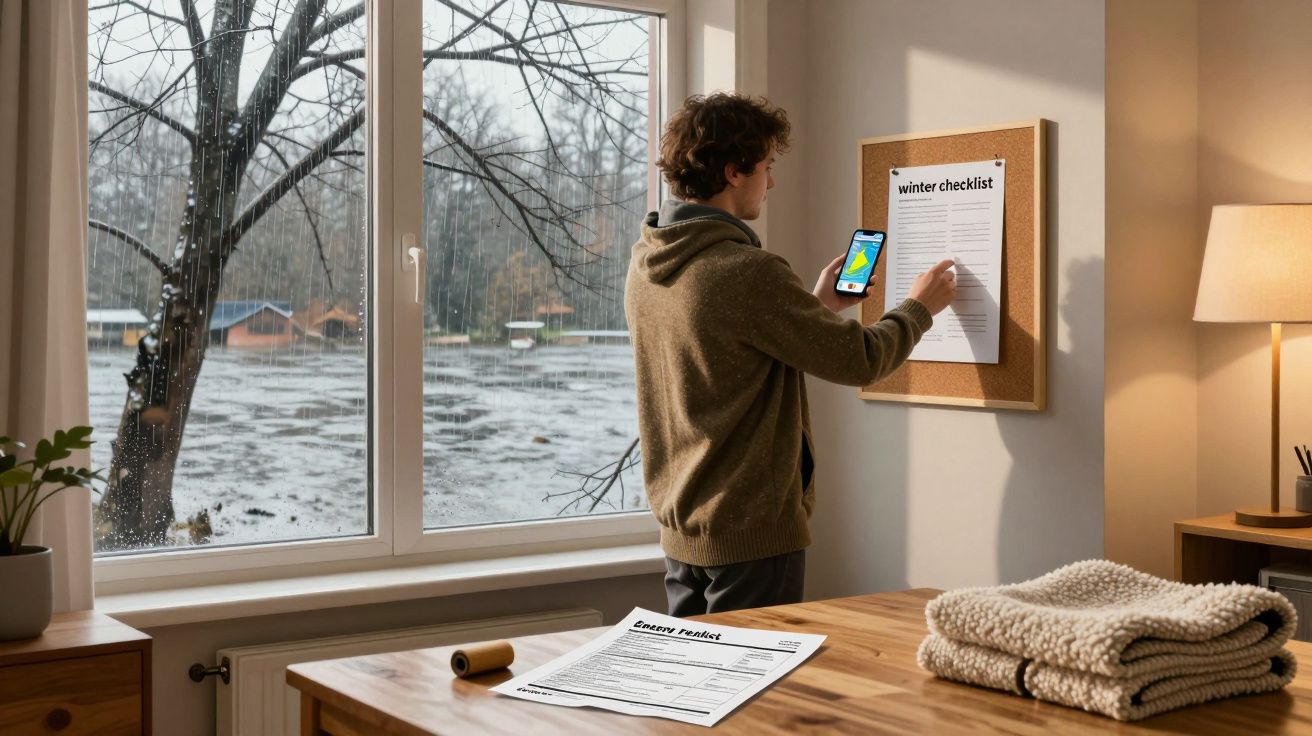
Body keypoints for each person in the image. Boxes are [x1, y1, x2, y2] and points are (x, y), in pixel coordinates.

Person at [624, 92, 957, 617]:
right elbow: (861, 360)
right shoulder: (746, 272)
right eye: (766, 166)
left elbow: (725, 349)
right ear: (735, 171)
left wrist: (816, 306)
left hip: (682, 525)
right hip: (751, 532)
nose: (772, 183)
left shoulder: (648, 261)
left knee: (695, 687)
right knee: (753, 692)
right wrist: (920, 307)